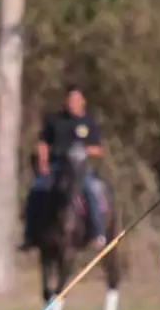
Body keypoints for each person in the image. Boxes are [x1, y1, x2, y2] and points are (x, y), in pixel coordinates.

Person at [25, 85, 106, 249]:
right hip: (57, 167)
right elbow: (43, 143)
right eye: (70, 99)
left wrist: (84, 150)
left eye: (76, 100)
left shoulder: (88, 122)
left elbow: (99, 149)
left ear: (83, 101)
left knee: (90, 189)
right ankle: (30, 235)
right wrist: (43, 163)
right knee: (36, 190)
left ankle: (97, 233)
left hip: (80, 168)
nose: (72, 103)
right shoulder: (54, 120)